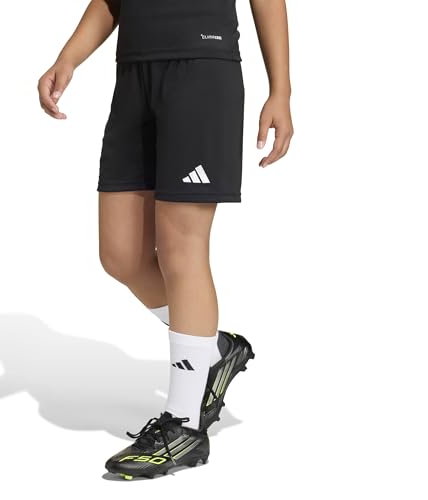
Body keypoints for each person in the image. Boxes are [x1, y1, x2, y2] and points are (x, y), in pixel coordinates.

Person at [37, 0, 293, 480]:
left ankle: (184, 426)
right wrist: (68, 58)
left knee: (182, 250)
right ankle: (213, 351)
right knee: (121, 255)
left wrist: (280, 90)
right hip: (135, 74)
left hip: (202, 69)